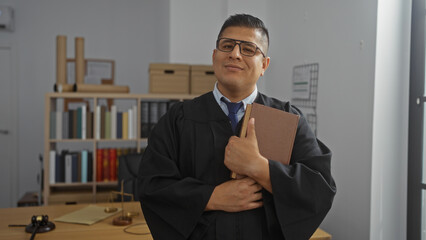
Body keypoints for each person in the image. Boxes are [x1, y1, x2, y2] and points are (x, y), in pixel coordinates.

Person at [138, 13, 336, 240]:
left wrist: (261, 168)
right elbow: (151, 186)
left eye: (248, 49)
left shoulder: (286, 119)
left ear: (264, 64)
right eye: (227, 45)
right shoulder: (178, 119)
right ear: (214, 57)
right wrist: (210, 197)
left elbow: (319, 189)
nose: (235, 54)